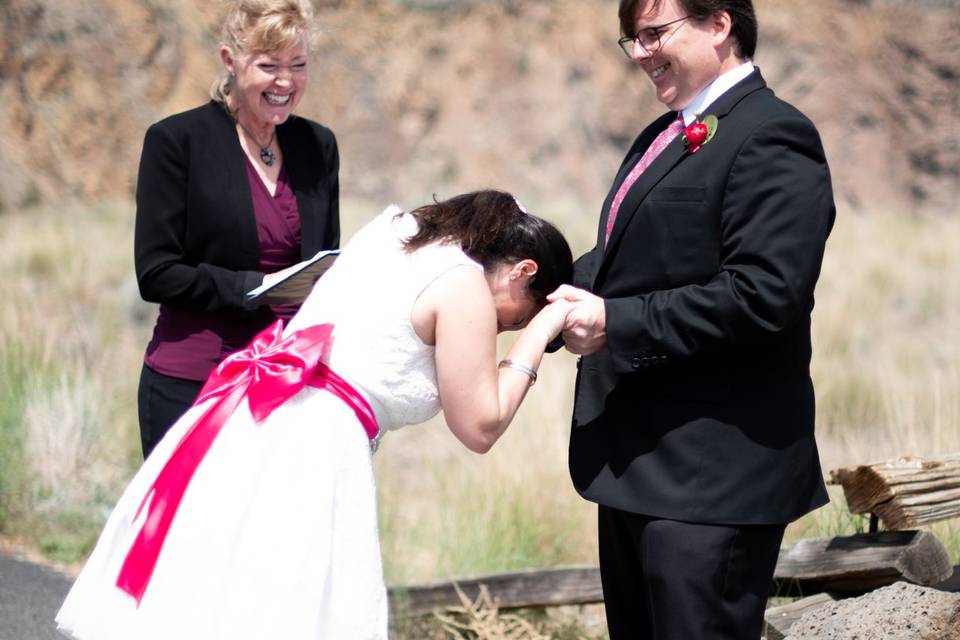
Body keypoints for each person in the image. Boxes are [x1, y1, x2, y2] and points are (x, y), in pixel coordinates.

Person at [56, 190, 574, 639]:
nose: (503, 329)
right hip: (311, 451)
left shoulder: (399, 231)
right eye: (517, 316)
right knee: (285, 611)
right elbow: (480, 425)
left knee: (217, 597)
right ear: (522, 271)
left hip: (253, 419)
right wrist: (539, 332)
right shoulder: (464, 285)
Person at [549, 1, 835, 638]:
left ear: (720, 24)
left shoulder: (773, 133)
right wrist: (520, 292)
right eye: (633, 39)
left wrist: (615, 323)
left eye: (655, 33)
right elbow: (623, 265)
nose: (642, 53)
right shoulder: (665, 133)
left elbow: (764, 293)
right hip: (639, 467)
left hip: (713, 478)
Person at [134, 0, 341, 458]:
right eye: (269, 66)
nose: (285, 82)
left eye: (298, 65)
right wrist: (258, 287)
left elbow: (325, 263)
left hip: (287, 380)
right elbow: (156, 272)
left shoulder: (318, 145)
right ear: (231, 60)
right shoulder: (175, 142)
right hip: (194, 382)